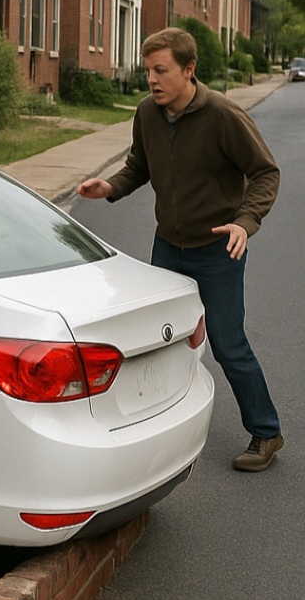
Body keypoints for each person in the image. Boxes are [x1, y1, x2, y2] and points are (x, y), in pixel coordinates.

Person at [77, 27, 283, 472]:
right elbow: (139, 166)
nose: (151, 79)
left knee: (228, 344)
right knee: (159, 339)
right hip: (168, 246)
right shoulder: (148, 113)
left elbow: (266, 172)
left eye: (161, 70)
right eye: (148, 69)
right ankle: (158, 423)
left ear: (189, 70)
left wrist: (245, 223)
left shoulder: (223, 116)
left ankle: (266, 432)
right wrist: (110, 185)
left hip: (216, 248)